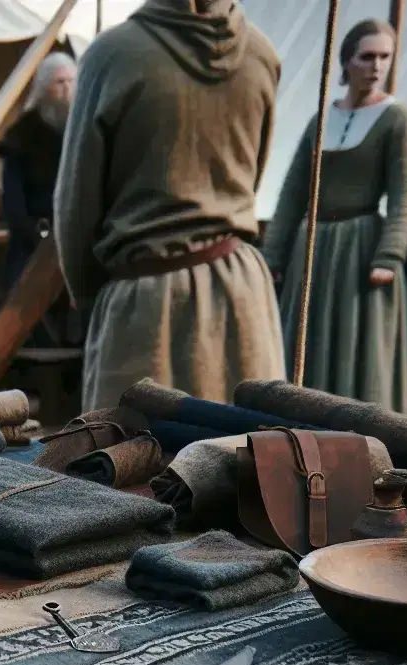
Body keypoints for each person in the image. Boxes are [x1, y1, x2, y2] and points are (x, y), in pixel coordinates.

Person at [56, 0, 285, 408]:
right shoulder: (262, 54)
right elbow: (253, 174)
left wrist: (89, 295)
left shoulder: (111, 55)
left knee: (133, 459)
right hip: (242, 294)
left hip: (145, 302)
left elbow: (76, 202)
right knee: (243, 454)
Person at [263, 19, 407, 412]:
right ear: (347, 61)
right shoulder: (321, 119)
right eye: (367, 56)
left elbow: (404, 195)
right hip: (312, 246)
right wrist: (275, 254)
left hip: (360, 247)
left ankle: (360, 436)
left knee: (358, 348)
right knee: (303, 345)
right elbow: (293, 192)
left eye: (385, 57)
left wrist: (389, 255)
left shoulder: (397, 120)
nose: (377, 65)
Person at [0, 51, 77, 350]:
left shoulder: (82, 129)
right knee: (26, 310)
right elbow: (13, 204)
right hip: (33, 242)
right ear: (43, 88)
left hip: (75, 241)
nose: (67, 89)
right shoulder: (24, 135)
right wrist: (37, 238)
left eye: (71, 81)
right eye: (58, 82)